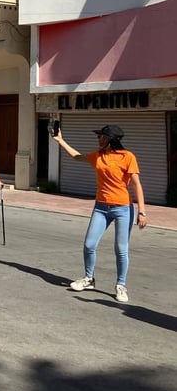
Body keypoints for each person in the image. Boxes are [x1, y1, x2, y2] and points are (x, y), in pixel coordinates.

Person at [53, 124, 146, 303]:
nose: (98, 139)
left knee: (121, 249)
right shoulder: (98, 155)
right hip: (101, 207)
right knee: (89, 245)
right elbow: (76, 156)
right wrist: (60, 140)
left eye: (101, 136)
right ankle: (89, 279)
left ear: (110, 139)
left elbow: (136, 185)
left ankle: (121, 285)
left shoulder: (128, 157)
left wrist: (142, 212)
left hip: (123, 208)